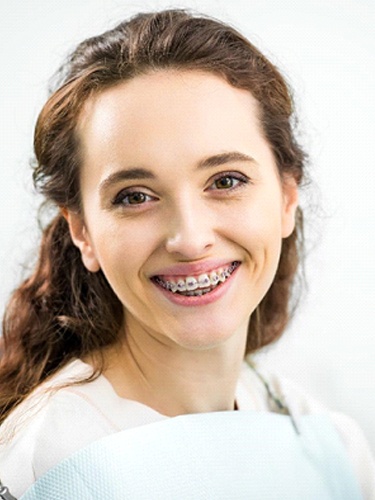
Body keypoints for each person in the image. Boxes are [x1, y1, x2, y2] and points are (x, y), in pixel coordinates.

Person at [0, 8, 374, 499]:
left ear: (286, 199)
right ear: (83, 231)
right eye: (135, 195)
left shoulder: (330, 444)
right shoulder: (52, 465)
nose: (190, 238)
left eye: (226, 181)